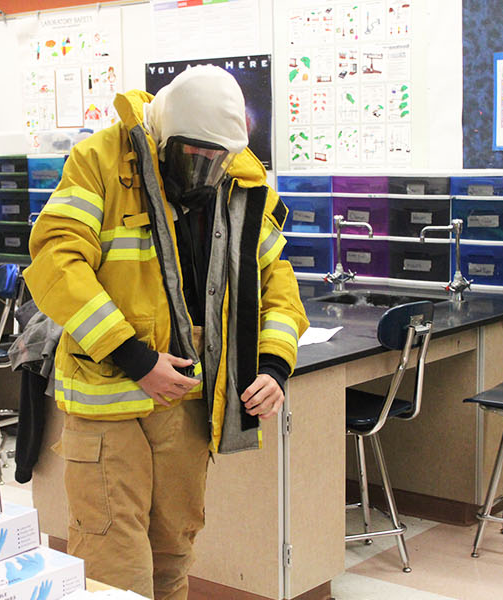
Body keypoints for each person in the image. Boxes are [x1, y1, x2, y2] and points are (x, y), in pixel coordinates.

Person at [28, 65, 309, 600]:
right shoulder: (101, 161)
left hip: (186, 399)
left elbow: (277, 285)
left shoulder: (241, 186)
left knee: (173, 553)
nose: (203, 170)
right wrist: (134, 358)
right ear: (163, 133)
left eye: (215, 159)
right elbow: (56, 261)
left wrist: (273, 364)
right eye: (193, 155)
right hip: (110, 393)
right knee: (113, 561)